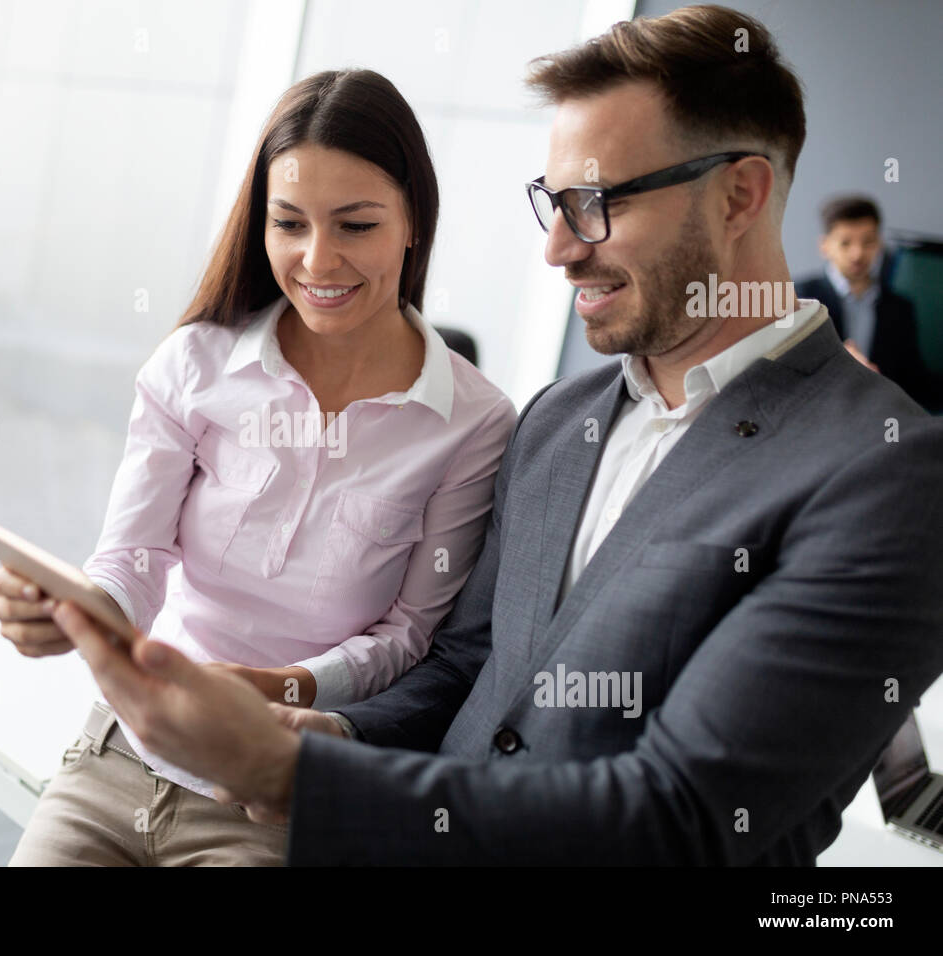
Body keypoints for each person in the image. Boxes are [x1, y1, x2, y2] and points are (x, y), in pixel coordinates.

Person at [49, 4, 943, 866]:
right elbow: (468, 668)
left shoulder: (889, 472)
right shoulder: (556, 422)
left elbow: (686, 815)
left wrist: (296, 772)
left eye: (594, 203)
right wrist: (336, 726)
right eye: (551, 203)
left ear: (740, 194)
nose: (557, 249)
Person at [0, 69, 516, 866]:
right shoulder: (196, 363)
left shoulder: (474, 422)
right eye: (289, 223)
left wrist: (285, 686)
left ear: (413, 221)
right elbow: (134, 558)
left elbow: (409, 637)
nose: (318, 259)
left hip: (269, 796)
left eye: (356, 225)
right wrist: (78, 611)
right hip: (122, 757)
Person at [794, 195, 938, 409]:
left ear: (879, 243)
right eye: (845, 243)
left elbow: (915, 382)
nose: (857, 254)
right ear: (825, 246)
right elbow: (788, 373)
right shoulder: (800, 297)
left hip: (880, 417)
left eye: (868, 242)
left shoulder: (899, 309)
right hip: (819, 416)